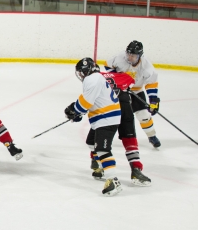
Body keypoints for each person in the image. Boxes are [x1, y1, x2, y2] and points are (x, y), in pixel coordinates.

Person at [86, 59, 151, 187]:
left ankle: (97, 161)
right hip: (125, 106)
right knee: (129, 138)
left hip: (106, 110)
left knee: (95, 138)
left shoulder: (95, 80)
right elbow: (131, 81)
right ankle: (136, 169)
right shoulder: (121, 75)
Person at [64, 57, 122, 196]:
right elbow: (89, 102)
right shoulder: (97, 78)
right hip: (103, 117)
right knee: (91, 142)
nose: (81, 75)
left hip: (106, 119)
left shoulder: (93, 79)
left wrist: (73, 110)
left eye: (82, 72)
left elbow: (85, 103)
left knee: (102, 149)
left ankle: (112, 180)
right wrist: (78, 112)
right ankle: (102, 167)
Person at [105, 40, 161, 148]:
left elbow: (151, 83)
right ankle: (106, 138)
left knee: (143, 115)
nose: (130, 57)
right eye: (128, 54)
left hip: (136, 90)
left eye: (133, 56)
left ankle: (152, 136)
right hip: (120, 90)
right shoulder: (120, 58)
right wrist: (117, 77)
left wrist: (153, 100)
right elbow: (107, 65)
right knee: (114, 115)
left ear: (140, 55)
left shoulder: (146, 66)